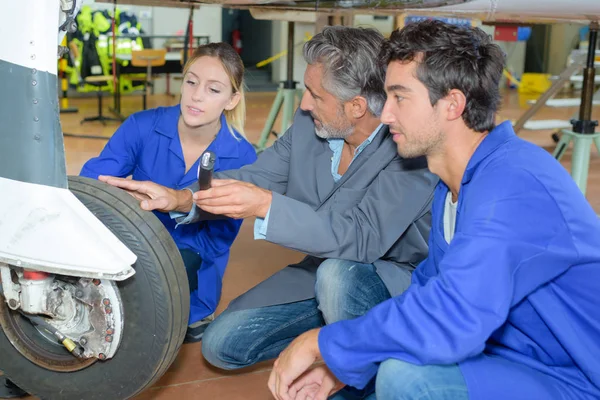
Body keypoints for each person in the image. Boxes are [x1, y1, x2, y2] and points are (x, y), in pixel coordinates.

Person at [268, 19, 600, 400]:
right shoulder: (454, 183)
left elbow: (454, 314)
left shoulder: (513, 182)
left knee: (406, 378)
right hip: (513, 360)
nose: (386, 114)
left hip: (577, 377)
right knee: (390, 370)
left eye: (399, 97)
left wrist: (323, 344)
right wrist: (345, 368)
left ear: (452, 104)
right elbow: (429, 288)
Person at [99, 26, 438, 371]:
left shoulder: (409, 146)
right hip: (322, 270)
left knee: (338, 275)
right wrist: (183, 198)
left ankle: (363, 372)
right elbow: (258, 176)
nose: (304, 104)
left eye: (315, 95)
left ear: (356, 107)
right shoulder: (310, 125)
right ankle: (331, 329)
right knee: (221, 345)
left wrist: (266, 205)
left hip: (392, 279)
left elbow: (361, 238)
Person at [80, 42, 257, 343]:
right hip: (131, 238)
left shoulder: (241, 155)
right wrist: (128, 205)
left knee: (139, 324)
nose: (197, 95)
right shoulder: (143, 125)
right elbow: (94, 181)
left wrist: (161, 237)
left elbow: (219, 235)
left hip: (192, 256)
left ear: (232, 99)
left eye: (214, 90)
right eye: (191, 82)